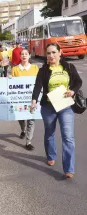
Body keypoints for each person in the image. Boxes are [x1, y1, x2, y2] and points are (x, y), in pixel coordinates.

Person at [31, 43, 82, 179]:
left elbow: (78, 82)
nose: (51, 56)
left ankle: (69, 169)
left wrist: (73, 91)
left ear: (60, 53)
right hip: (49, 107)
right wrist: (34, 101)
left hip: (66, 106)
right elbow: (37, 87)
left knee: (68, 137)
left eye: (53, 52)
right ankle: (51, 155)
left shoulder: (69, 67)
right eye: (48, 53)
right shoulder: (43, 70)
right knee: (49, 133)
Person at [11, 49, 39, 150]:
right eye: (22, 54)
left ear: (29, 56)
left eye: (26, 54)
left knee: (31, 119)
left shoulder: (35, 68)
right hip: (19, 99)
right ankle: (23, 129)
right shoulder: (15, 69)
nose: (24, 55)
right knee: (21, 118)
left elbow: (39, 82)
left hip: (32, 98)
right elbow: (11, 83)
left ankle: (28, 141)